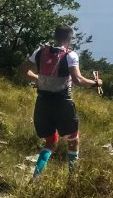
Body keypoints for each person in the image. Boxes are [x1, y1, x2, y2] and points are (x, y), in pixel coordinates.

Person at [17, 24, 102, 177]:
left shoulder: (40, 51)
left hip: (42, 102)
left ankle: (36, 177)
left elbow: (23, 70)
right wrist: (96, 83)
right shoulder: (70, 55)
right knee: (73, 138)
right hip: (63, 103)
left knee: (50, 140)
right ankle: (72, 176)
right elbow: (77, 80)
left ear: (55, 37)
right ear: (70, 38)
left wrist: (38, 79)